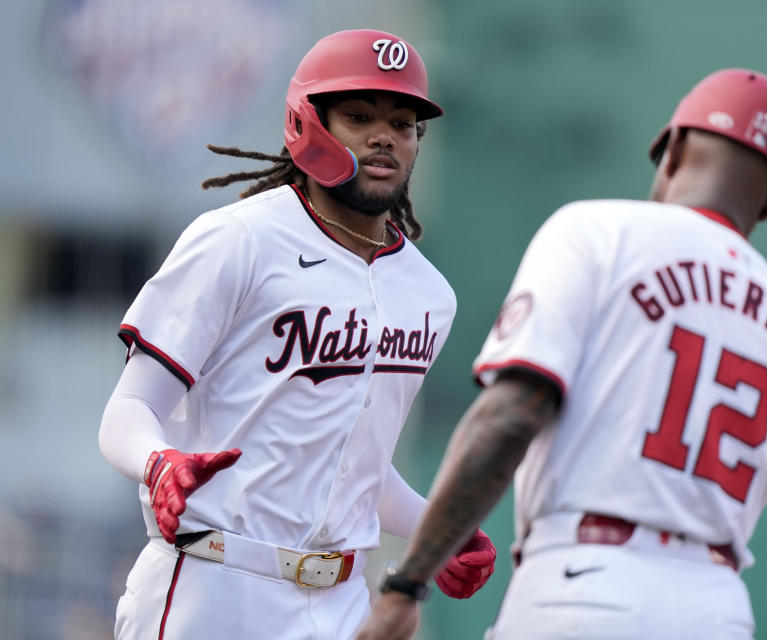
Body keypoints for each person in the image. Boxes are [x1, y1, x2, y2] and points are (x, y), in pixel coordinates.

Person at [356, 68, 767, 640]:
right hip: (717, 605)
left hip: (585, 586)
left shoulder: (599, 231)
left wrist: (407, 583)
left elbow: (510, 416)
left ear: (672, 151)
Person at [98, 29, 495, 640]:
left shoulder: (429, 295)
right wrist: (157, 462)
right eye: (359, 115)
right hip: (214, 582)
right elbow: (129, 407)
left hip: (341, 602)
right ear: (306, 122)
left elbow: (357, 465)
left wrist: (437, 528)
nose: (384, 134)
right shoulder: (240, 240)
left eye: (404, 121)